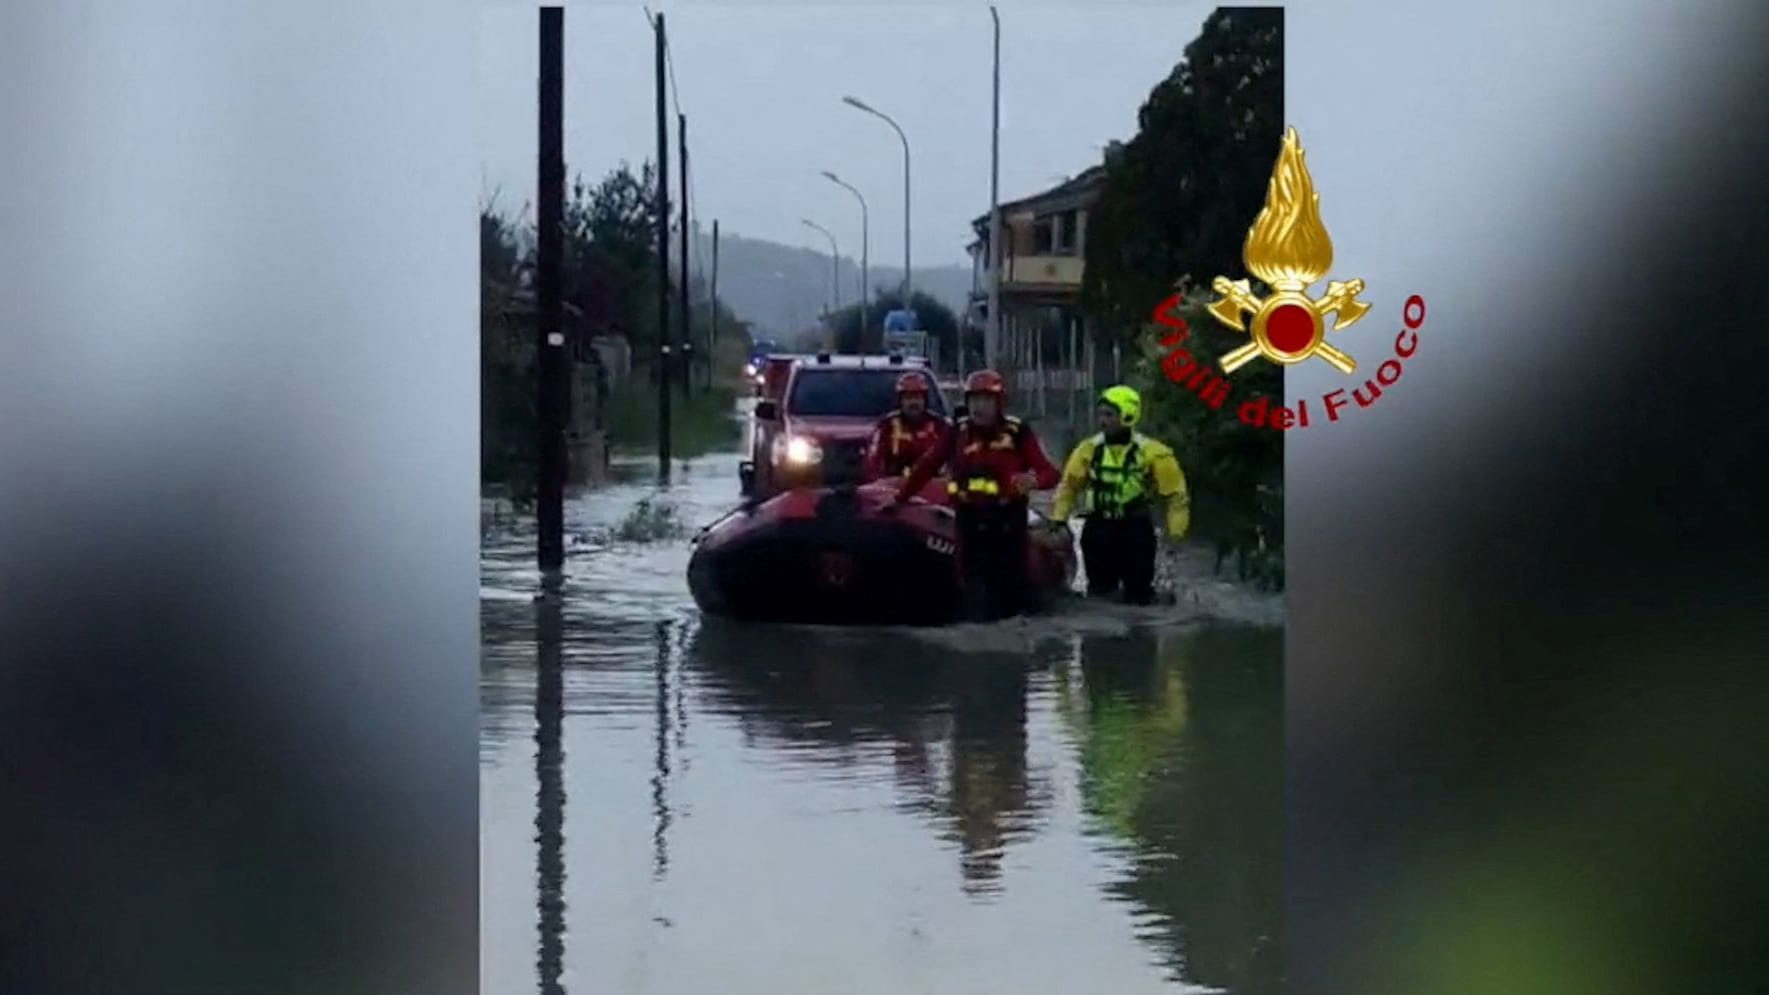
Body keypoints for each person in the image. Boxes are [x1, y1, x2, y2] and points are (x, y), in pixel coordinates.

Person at [888, 369, 1061, 620]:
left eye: (987, 401)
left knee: (1009, 590)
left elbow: (1050, 473)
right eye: (974, 400)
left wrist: (1032, 480)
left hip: (1007, 522)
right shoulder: (956, 433)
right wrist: (899, 499)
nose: (980, 407)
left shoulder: (1017, 432)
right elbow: (926, 468)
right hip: (969, 520)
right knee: (972, 589)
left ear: (999, 403)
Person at [1049, 385, 1190, 605]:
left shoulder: (1154, 453)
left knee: (1139, 595)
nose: (1102, 421)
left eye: (1109, 415)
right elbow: (1069, 486)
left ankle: (1141, 636)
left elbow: (1176, 496)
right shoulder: (1088, 449)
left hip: (1135, 529)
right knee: (1099, 596)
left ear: (1127, 415)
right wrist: (1058, 520)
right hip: (1098, 528)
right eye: (1101, 414)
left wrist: (1176, 534)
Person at [862, 372, 951, 482]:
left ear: (925, 400)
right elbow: (872, 460)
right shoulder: (887, 426)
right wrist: (879, 483)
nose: (914, 402)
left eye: (918, 398)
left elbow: (955, 460)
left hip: (932, 488)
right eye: (908, 398)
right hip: (894, 487)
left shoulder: (940, 426)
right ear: (901, 401)